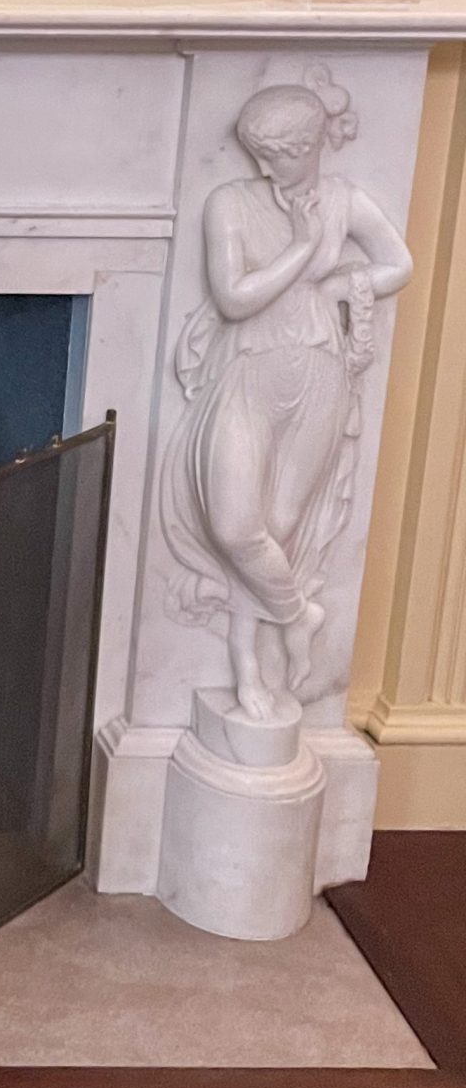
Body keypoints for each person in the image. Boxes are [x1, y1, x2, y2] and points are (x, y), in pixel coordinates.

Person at [160, 77, 413, 720]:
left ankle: (250, 671)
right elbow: (234, 297)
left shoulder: (345, 200)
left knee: (279, 529)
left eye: (281, 153)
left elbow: (399, 263)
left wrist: (341, 285)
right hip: (245, 372)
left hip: (319, 374)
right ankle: (298, 614)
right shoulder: (229, 202)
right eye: (259, 152)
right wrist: (304, 250)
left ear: (315, 144)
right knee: (236, 526)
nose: (266, 166)